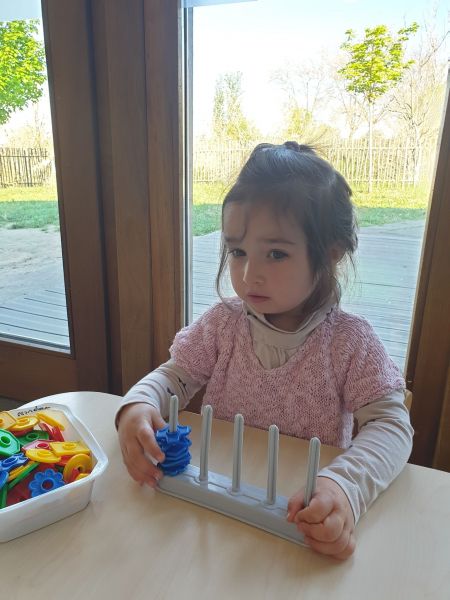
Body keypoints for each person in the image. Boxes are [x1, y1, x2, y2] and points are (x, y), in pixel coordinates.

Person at [116, 141, 413, 560]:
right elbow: (174, 377)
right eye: (237, 251)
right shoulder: (223, 323)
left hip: (296, 523)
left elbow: (392, 427)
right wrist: (138, 405)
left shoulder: (350, 342)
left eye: (276, 253)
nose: (249, 273)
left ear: (330, 255)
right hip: (213, 512)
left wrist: (345, 487)